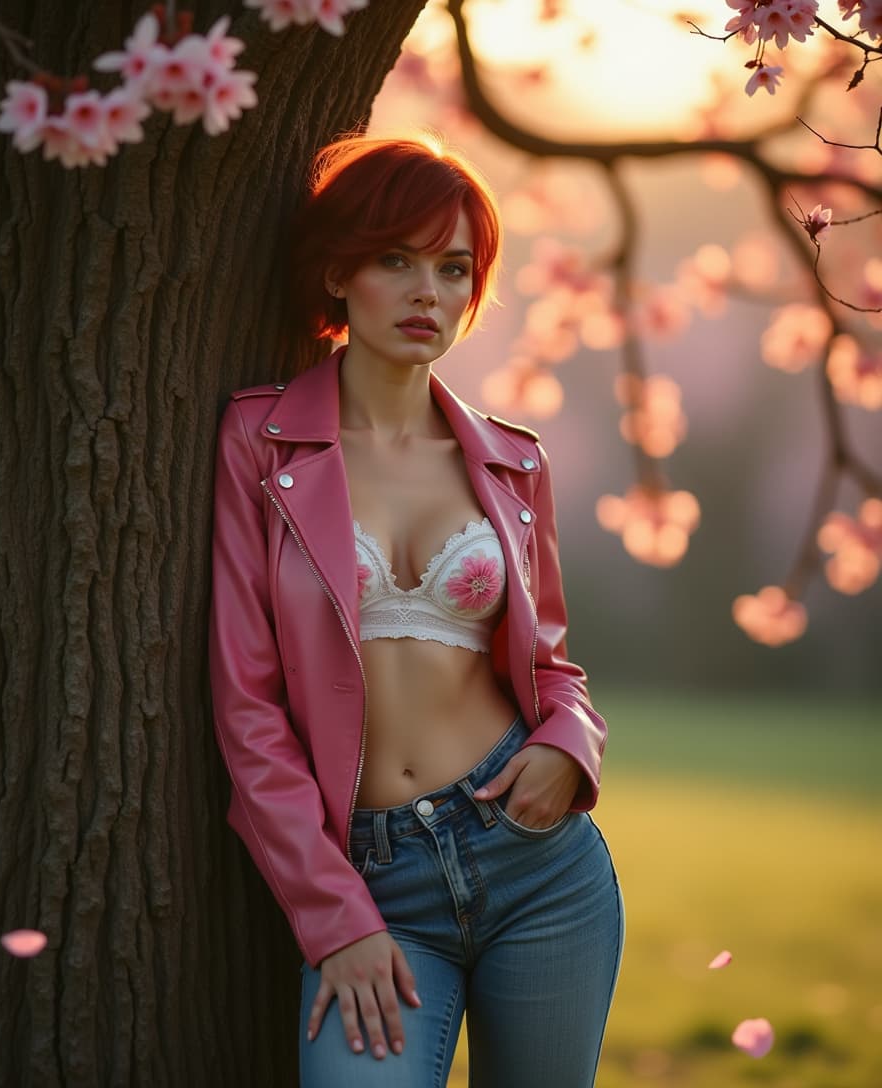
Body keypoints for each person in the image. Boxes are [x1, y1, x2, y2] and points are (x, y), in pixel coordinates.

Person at [209, 133, 624, 1088]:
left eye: (452, 266)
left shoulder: (514, 464)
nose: (426, 290)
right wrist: (334, 915)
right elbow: (246, 705)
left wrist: (570, 743)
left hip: (536, 866)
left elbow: (552, 669)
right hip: (371, 879)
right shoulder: (260, 443)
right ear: (339, 271)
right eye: (395, 258)